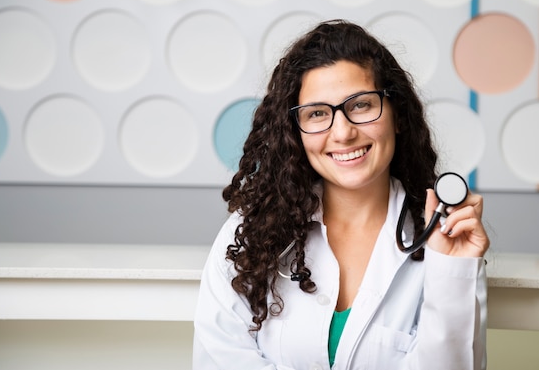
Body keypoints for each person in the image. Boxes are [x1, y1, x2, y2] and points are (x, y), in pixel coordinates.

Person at [193, 20, 490, 369]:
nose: (343, 132)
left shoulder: (444, 237)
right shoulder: (251, 232)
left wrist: (451, 271)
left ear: (397, 115)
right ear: (295, 132)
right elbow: (219, 359)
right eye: (317, 113)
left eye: (361, 105)